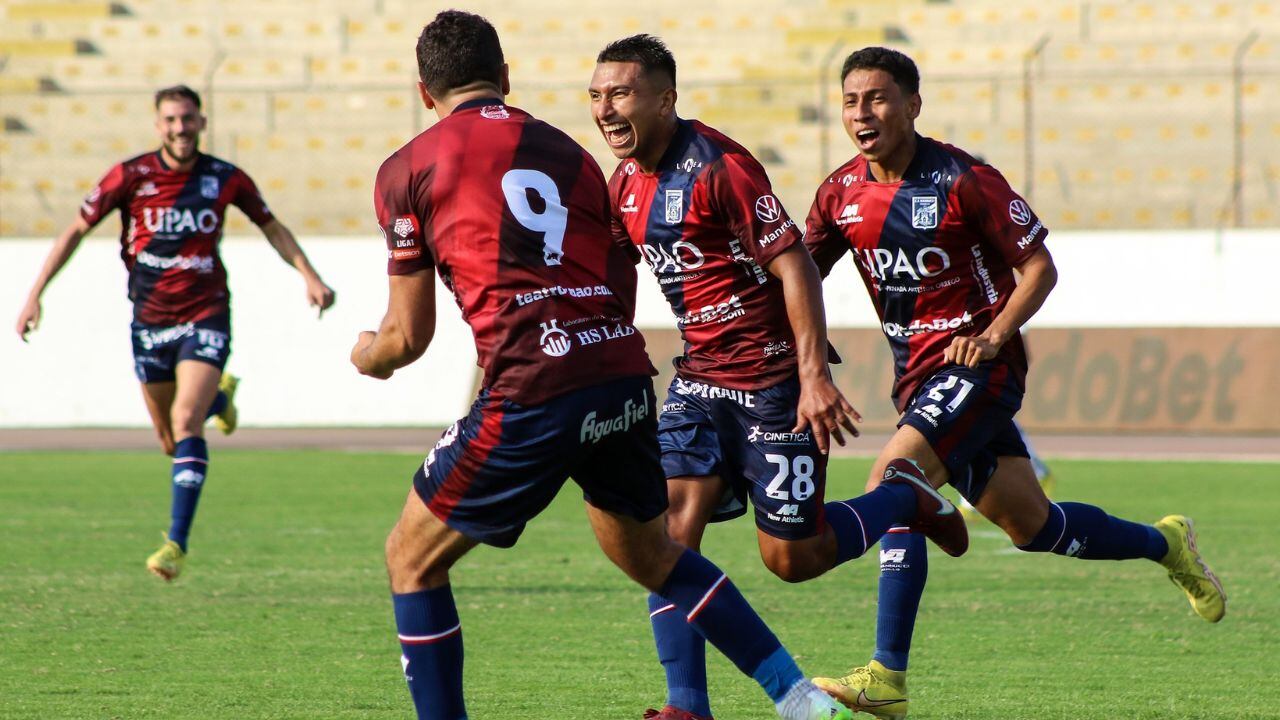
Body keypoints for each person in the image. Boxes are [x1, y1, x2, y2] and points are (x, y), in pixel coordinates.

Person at [349, 12, 872, 720]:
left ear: (423, 92)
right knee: (657, 554)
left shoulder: (407, 167)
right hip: (619, 372)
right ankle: (799, 699)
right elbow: (615, 279)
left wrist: (368, 355)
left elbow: (406, 337)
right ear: (505, 80)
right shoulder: (570, 155)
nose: (605, 110)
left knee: (410, 559)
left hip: (538, 386)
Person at [802, 46, 1226, 719]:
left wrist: (994, 335)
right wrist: (802, 345)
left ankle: (887, 676)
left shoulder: (965, 179)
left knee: (894, 480)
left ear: (914, 104)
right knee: (1033, 526)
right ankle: (1166, 543)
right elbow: (800, 273)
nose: (863, 112)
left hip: (980, 367)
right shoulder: (839, 192)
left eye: (879, 97)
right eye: (852, 100)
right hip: (916, 377)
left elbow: (1039, 268)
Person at [588, 35, 966, 720]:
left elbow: (794, 266)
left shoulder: (721, 167)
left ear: (665, 99)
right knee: (667, 538)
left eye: (621, 93)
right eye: (596, 95)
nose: (605, 109)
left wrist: (813, 376)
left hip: (771, 383)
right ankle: (687, 706)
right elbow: (615, 272)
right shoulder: (622, 185)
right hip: (698, 379)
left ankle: (904, 500)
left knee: (795, 559)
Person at [15, 84, 335, 581]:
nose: (180, 128)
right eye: (170, 120)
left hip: (205, 313)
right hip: (148, 320)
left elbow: (272, 225)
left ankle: (175, 545)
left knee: (186, 423)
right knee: (170, 441)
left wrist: (309, 275)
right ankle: (219, 402)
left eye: (188, 119)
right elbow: (75, 230)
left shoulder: (224, 178)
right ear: (157, 124)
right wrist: (36, 293)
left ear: (202, 123)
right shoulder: (131, 176)